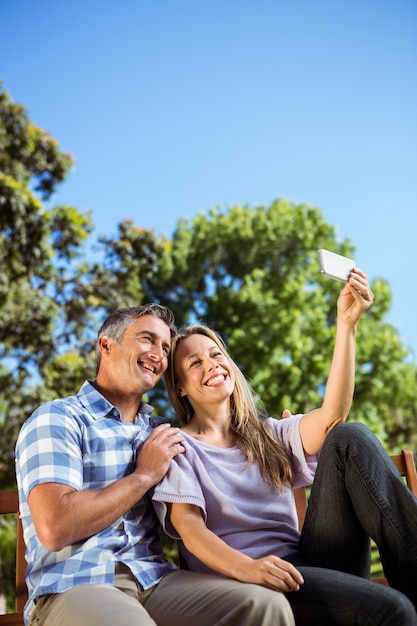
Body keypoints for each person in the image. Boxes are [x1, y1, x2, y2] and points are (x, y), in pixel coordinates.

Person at [152, 270, 417, 626]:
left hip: (310, 566)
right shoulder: (179, 447)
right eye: (195, 362)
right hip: (255, 583)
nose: (211, 364)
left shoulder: (268, 435)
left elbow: (332, 417)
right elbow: (190, 530)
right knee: (394, 610)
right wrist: (249, 569)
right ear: (180, 387)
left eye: (216, 354)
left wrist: (346, 325)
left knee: (347, 437)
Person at [15, 303, 296, 626]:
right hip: (76, 584)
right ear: (106, 344)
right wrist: (144, 475)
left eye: (164, 347)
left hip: (155, 582)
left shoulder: (160, 431)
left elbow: (216, 435)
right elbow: (55, 526)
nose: (159, 354)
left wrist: (267, 434)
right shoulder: (59, 418)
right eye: (147, 339)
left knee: (265, 605)